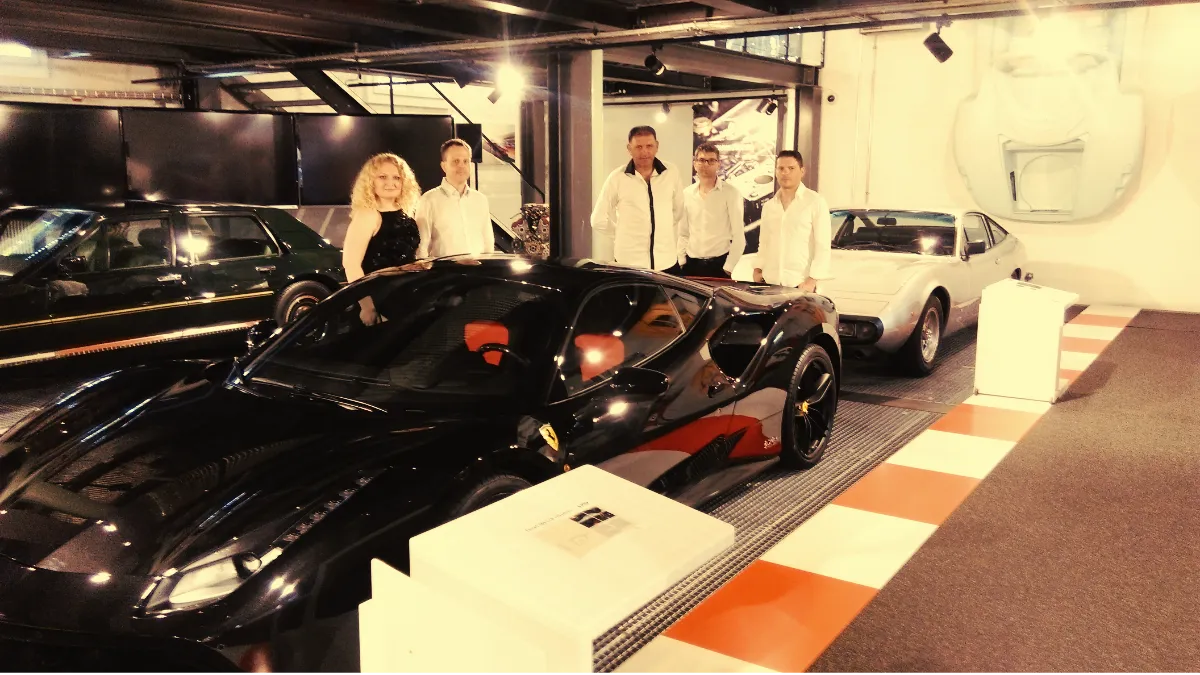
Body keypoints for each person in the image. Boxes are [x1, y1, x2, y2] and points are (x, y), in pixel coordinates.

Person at [590, 126, 685, 273]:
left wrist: (658, 229)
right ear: (629, 149)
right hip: (629, 263)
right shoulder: (617, 178)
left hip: (667, 262)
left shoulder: (671, 172)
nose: (644, 152)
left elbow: (678, 210)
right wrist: (622, 234)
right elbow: (598, 219)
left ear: (657, 146)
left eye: (649, 146)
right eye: (639, 147)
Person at [342, 152, 422, 325]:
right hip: (379, 302)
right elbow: (351, 264)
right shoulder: (367, 215)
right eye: (382, 177)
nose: (390, 183)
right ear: (371, 181)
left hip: (407, 298)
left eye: (396, 177)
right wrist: (367, 307)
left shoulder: (405, 213)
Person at [754, 150, 832, 292]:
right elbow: (764, 242)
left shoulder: (815, 202)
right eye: (781, 168)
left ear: (802, 171)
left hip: (800, 285)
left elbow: (823, 246)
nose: (785, 173)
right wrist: (757, 269)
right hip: (770, 283)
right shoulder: (769, 206)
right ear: (776, 172)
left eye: (791, 168)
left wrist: (812, 280)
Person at [415, 138, 493, 259]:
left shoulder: (480, 199)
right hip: (446, 269)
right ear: (444, 166)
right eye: (456, 161)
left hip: (479, 268)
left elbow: (488, 242)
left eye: (466, 161)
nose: (461, 166)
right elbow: (422, 246)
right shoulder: (429, 200)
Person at [679, 142, 746, 278]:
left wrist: (729, 267)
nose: (706, 164)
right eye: (701, 160)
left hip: (720, 264)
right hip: (691, 265)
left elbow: (738, 235)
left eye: (711, 160)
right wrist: (681, 260)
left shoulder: (731, 193)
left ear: (718, 164)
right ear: (695, 163)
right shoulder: (686, 194)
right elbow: (683, 233)